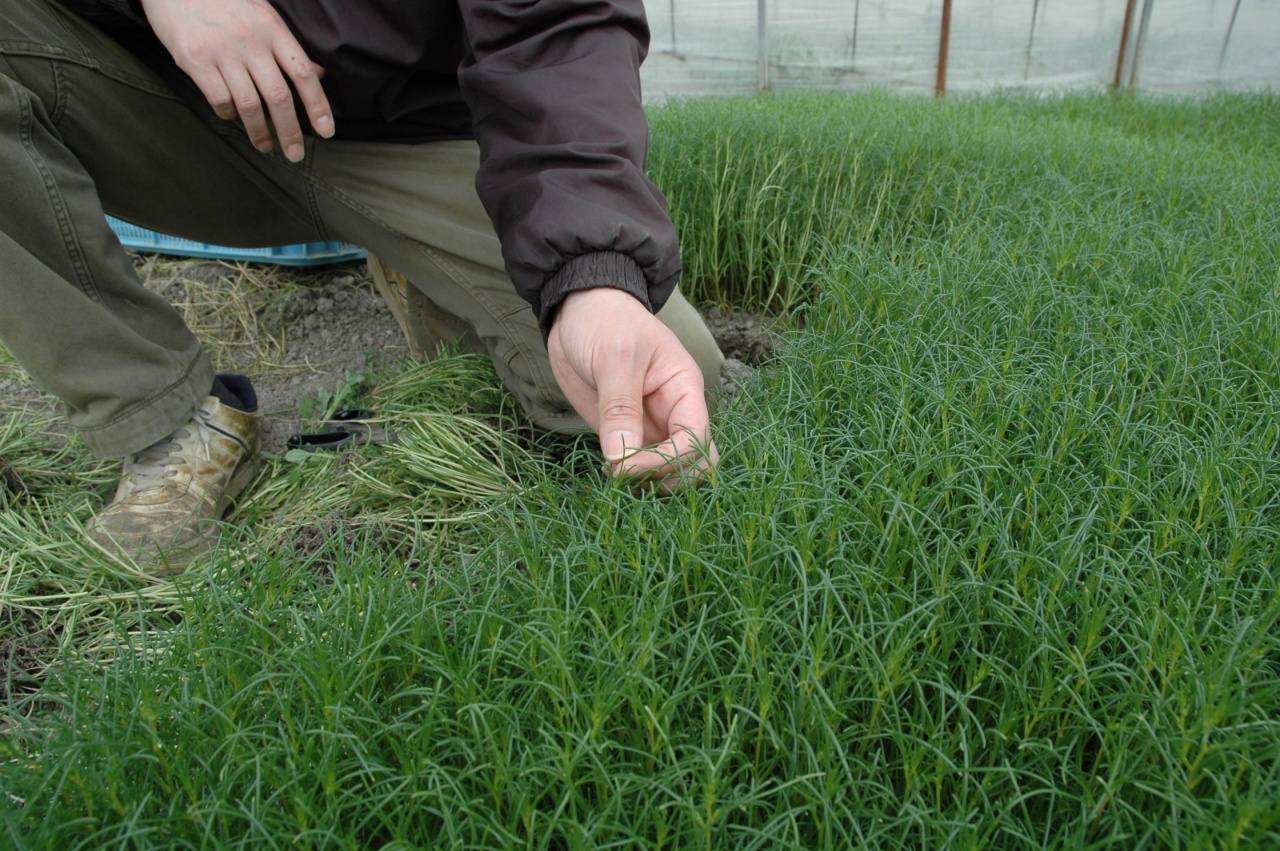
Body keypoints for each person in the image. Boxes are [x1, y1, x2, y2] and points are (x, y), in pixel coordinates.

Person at [0, 0, 723, 571]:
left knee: (666, 398)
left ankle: (412, 261)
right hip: (175, 104)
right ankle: (161, 414)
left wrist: (592, 276)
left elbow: (558, 24)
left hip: (415, 132)